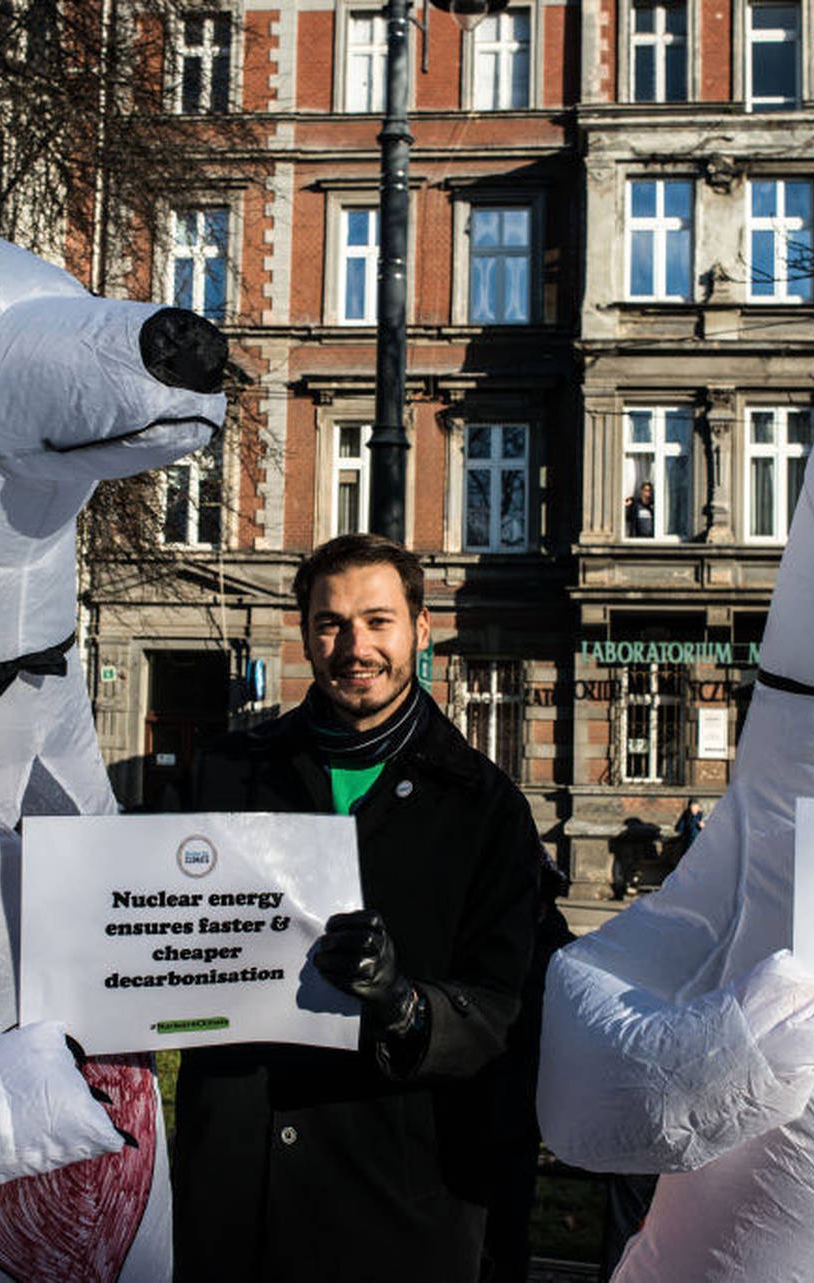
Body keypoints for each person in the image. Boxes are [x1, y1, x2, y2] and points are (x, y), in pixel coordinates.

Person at [167, 533, 543, 1283]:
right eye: (332, 622)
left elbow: (502, 1010)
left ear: (420, 629)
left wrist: (407, 1006)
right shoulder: (227, 774)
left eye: (378, 621)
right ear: (305, 630)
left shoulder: (484, 807)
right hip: (231, 1207)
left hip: (393, 1212)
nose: (354, 645)